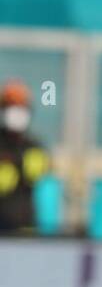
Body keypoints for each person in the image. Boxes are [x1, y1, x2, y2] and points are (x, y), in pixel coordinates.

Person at [0, 80, 50, 236]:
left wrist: (13, 160)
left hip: (23, 227)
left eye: (20, 107)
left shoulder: (34, 145)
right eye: (11, 106)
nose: (16, 112)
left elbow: (34, 173)